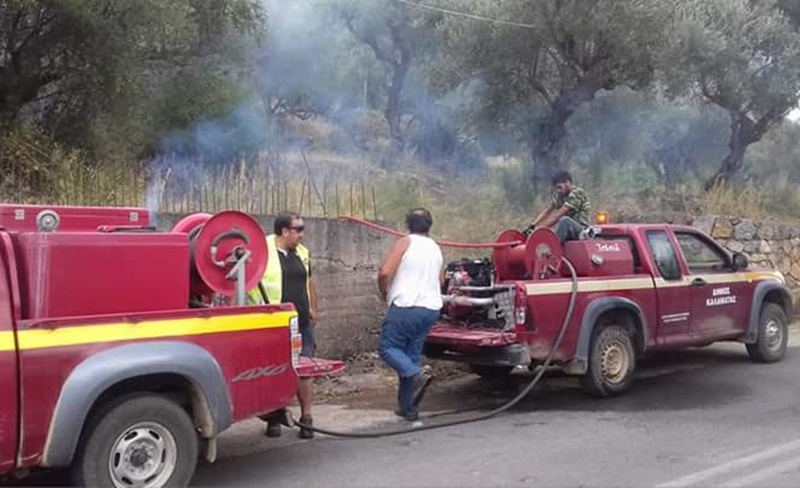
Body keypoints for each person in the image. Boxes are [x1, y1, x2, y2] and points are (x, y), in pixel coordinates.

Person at [247, 212, 318, 439]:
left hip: (302, 322)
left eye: (302, 228)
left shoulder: (303, 253)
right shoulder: (261, 251)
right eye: (298, 229)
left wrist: (313, 308)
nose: (302, 234)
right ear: (284, 231)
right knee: (274, 372)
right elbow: (244, 283)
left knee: (304, 369)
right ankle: (274, 416)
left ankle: (307, 418)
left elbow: (309, 281)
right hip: (273, 324)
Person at [377, 208, 444, 422]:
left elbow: (385, 272)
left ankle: (416, 375)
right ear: (429, 225)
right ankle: (409, 408)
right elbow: (441, 280)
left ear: (408, 224)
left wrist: (383, 291)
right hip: (431, 308)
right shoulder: (435, 247)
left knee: (388, 348)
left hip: (407, 305)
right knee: (410, 356)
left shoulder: (405, 242)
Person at [527, 170, 591, 242]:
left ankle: (555, 248)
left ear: (567, 183)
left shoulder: (577, 193)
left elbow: (558, 215)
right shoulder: (561, 194)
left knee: (564, 220)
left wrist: (538, 229)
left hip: (581, 230)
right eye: (556, 188)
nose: (558, 190)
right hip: (568, 230)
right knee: (555, 228)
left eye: (559, 187)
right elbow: (548, 209)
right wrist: (532, 225)